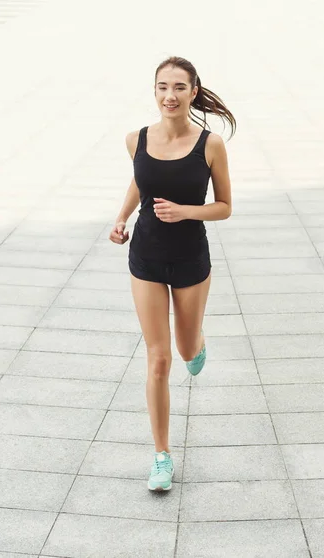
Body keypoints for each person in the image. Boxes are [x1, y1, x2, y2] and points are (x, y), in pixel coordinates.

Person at [109, 56, 235, 492]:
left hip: (189, 260)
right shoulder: (136, 139)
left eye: (179, 87)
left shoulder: (210, 145)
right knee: (157, 357)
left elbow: (224, 207)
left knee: (183, 350)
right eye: (163, 86)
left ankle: (197, 343)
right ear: (154, 90)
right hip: (145, 257)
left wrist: (184, 212)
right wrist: (122, 217)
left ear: (193, 91)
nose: (170, 95)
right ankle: (161, 456)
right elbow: (140, 182)